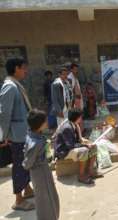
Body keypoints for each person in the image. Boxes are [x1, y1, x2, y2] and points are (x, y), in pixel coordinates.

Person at [0, 58, 34, 211]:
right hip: (16, 135)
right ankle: (18, 201)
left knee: (24, 163)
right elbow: (4, 114)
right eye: (24, 67)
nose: (26, 70)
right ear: (16, 68)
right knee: (20, 166)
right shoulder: (9, 87)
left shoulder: (16, 85)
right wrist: (3, 136)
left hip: (22, 132)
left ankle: (27, 190)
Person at [23, 109, 60, 220]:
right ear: (39, 125)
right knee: (45, 201)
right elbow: (27, 164)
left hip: (43, 171)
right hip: (40, 175)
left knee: (50, 198)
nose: (47, 122)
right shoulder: (34, 144)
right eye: (45, 121)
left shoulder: (35, 134)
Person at [53, 108, 102, 184]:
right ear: (77, 118)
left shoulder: (74, 125)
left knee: (94, 146)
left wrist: (88, 143)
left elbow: (78, 139)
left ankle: (90, 171)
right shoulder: (67, 128)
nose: (81, 118)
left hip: (70, 147)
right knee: (84, 150)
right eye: (80, 117)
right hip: (63, 151)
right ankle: (81, 175)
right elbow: (70, 145)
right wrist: (85, 145)